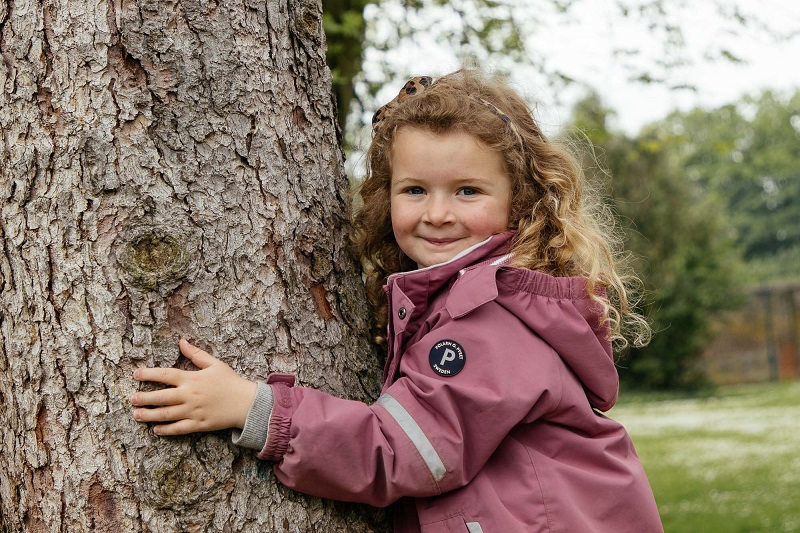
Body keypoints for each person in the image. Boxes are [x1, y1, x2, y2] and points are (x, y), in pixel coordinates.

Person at [131, 70, 664, 532]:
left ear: (519, 202)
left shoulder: (489, 321)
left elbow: (404, 451)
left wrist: (255, 409)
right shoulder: (456, 301)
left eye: (467, 191)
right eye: (414, 190)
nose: (436, 213)